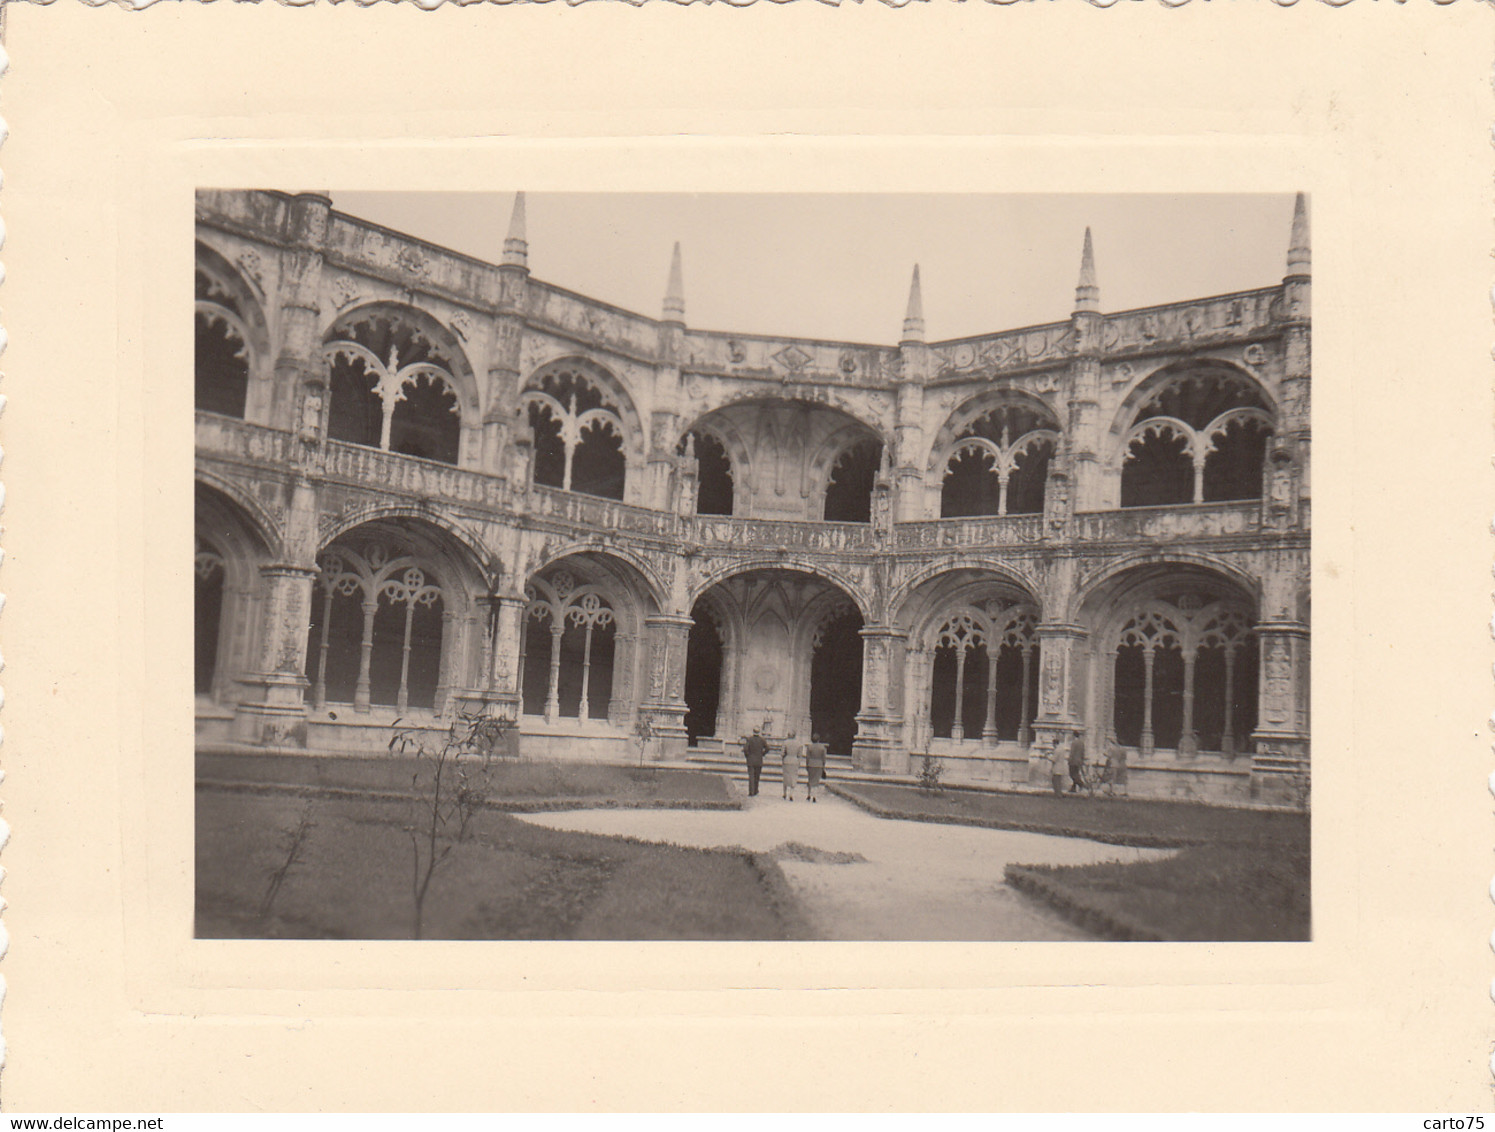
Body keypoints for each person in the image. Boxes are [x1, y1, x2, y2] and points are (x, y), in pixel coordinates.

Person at [742, 728, 768, 797]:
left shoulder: (750, 739)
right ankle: (756, 790)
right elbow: (768, 748)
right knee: (757, 776)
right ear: (759, 732)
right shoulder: (762, 740)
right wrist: (763, 754)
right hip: (759, 760)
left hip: (751, 760)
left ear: (753, 731)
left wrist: (747, 756)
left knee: (751, 776)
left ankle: (751, 792)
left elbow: (745, 749)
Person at [804, 732, 828, 802]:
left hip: (811, 764)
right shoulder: (822, 747)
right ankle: (814, 796)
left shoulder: (809, 747)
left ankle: (808, 795)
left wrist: (807, 765)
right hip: (819, 765)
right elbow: (824, 758)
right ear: (819, 739)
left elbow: (807, 757)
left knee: (810, 779)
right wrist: (823, 765)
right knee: (816, 781)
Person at [781, 730, 803, 800]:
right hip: (795, 761)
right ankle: (791, 794)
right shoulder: (799, 744)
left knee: (786, 777)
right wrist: (799, 762)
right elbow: (800, 755)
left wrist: (783, 758)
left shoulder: (785, 742)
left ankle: (784, 793)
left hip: (787, 760)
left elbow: (782, 753)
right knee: (793, 777)